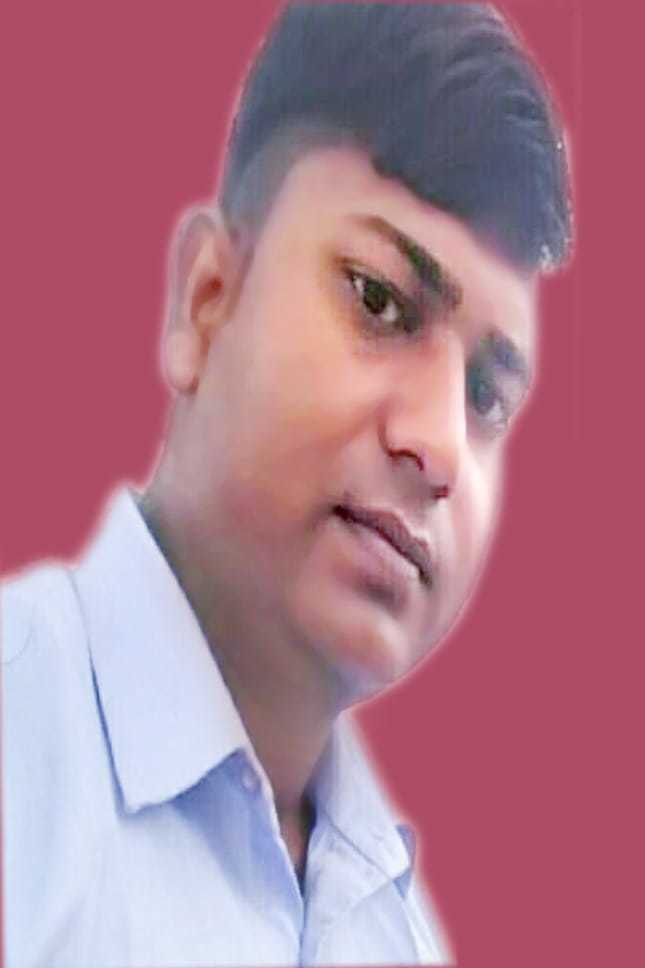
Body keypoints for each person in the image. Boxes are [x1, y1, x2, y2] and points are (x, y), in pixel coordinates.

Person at [1, 2, 572, 966]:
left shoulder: (398, 932)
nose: (439, 445)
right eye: (379, 301)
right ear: (206, 300)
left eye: (485, 395)